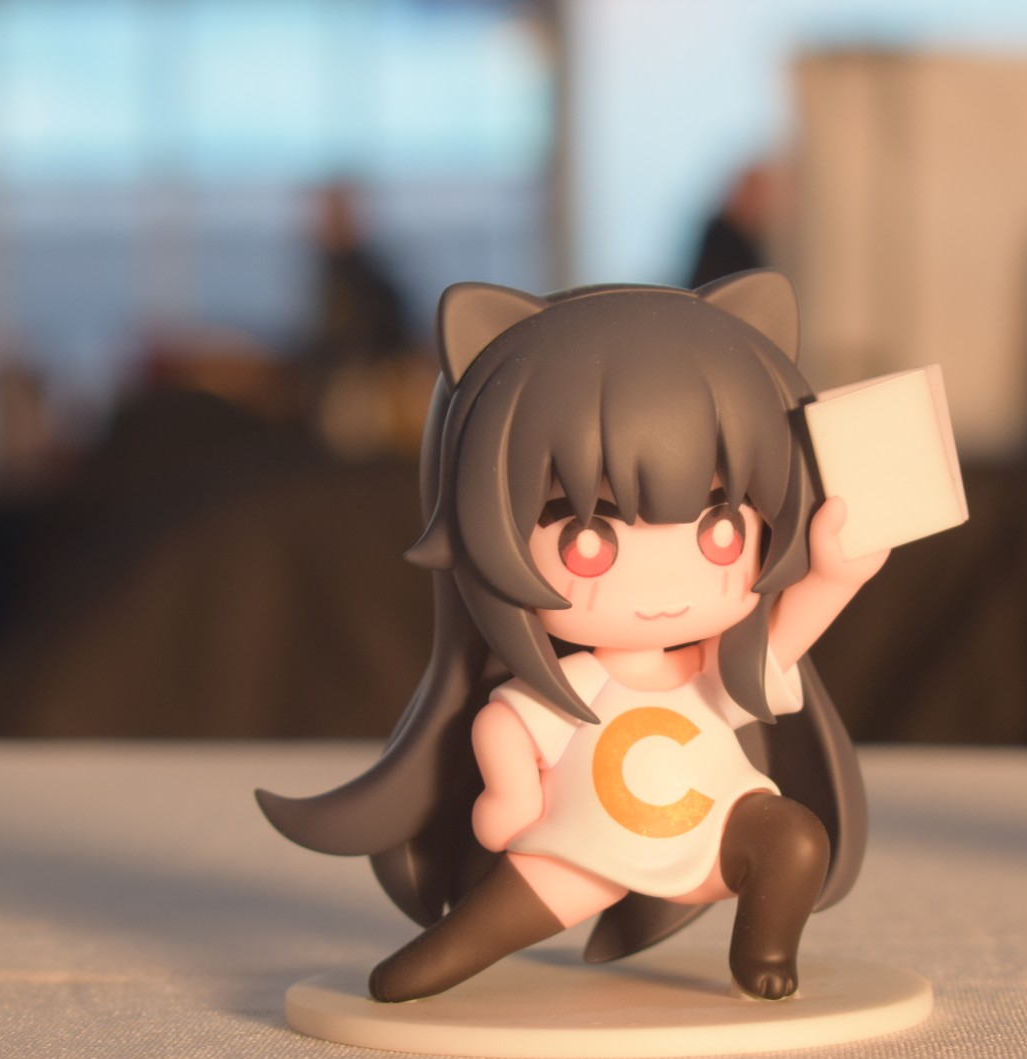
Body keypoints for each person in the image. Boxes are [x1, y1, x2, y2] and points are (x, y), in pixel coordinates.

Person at [258, 271, 879, 1001]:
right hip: (578, 850)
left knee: (795, 839)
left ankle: (764, 955)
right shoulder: (576, 687)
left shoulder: (713, 673)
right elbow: (504, 726)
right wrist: (512, 798)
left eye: (719, 530)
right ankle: (422, 968)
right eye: (589, 540)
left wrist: (837, 576)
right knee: (460, 945)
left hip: (717, 835)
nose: (662, 584)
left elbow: (786, 635)